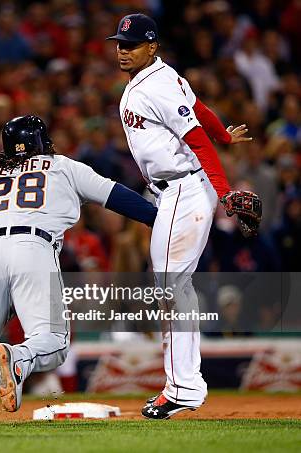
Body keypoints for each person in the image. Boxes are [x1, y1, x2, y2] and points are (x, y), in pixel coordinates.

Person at [0, 115, 158, 426]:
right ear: (44, 143)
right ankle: (20, 358)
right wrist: (157, 217)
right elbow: (118, 197)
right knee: (54, 341)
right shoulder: (62, 166)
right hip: (32, 247)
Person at [106, 14, 261, 419]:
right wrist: (224, 134)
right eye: (120, 44)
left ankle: (182, 388)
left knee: (170, 285)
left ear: (152, 47)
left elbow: (194, 137)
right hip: (173, 189)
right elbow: (198, 109)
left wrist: (224, 191)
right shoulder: (161, 75)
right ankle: (185, 383)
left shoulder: (155, 84)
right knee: (174, 285)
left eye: (132, 44)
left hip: (184, 187)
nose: (123, 50)